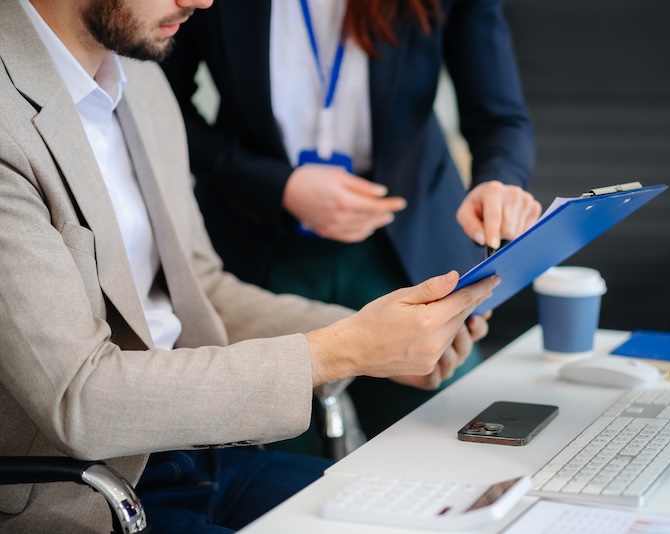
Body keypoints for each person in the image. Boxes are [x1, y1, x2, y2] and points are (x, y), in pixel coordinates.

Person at [0, 0, 499, 532]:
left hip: (199, 452)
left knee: (437, 518)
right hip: (88, 493)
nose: (202, 1)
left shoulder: (139, 81)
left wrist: (381, 343)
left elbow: (203, 292)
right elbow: (82, 398)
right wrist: (344, 350)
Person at [160, 0, 541, 443]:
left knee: (449, 439)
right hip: (257, 249)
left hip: (407, 252)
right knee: (274, 457)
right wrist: (278, 186)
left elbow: (500, 117)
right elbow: (162, 105)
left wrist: (499, 180)